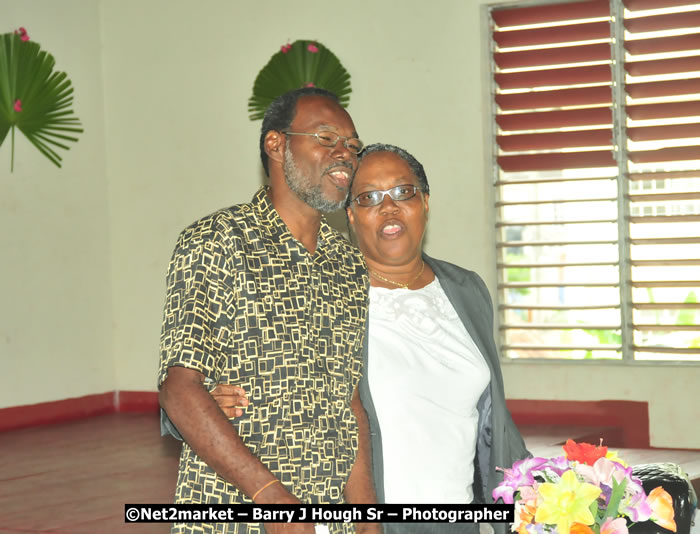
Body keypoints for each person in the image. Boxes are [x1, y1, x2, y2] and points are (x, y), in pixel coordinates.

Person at [205, 144, 530, 534]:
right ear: (351, 215)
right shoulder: (324, 294)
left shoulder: (466, 288)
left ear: (425, 202)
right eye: (369, 198)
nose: (389, 208)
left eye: (403, 192)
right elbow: (250, 377)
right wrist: (217, 398)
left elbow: (494, 420)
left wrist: (540, 497)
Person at [157, 87, 381, 534]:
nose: (345, 155)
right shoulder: (218, 241)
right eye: (326, 138)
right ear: (276, 144)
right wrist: (269, 497)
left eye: (353, 147)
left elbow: (349, 402)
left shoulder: (348, 262)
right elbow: (180, 389)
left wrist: (367, 520)